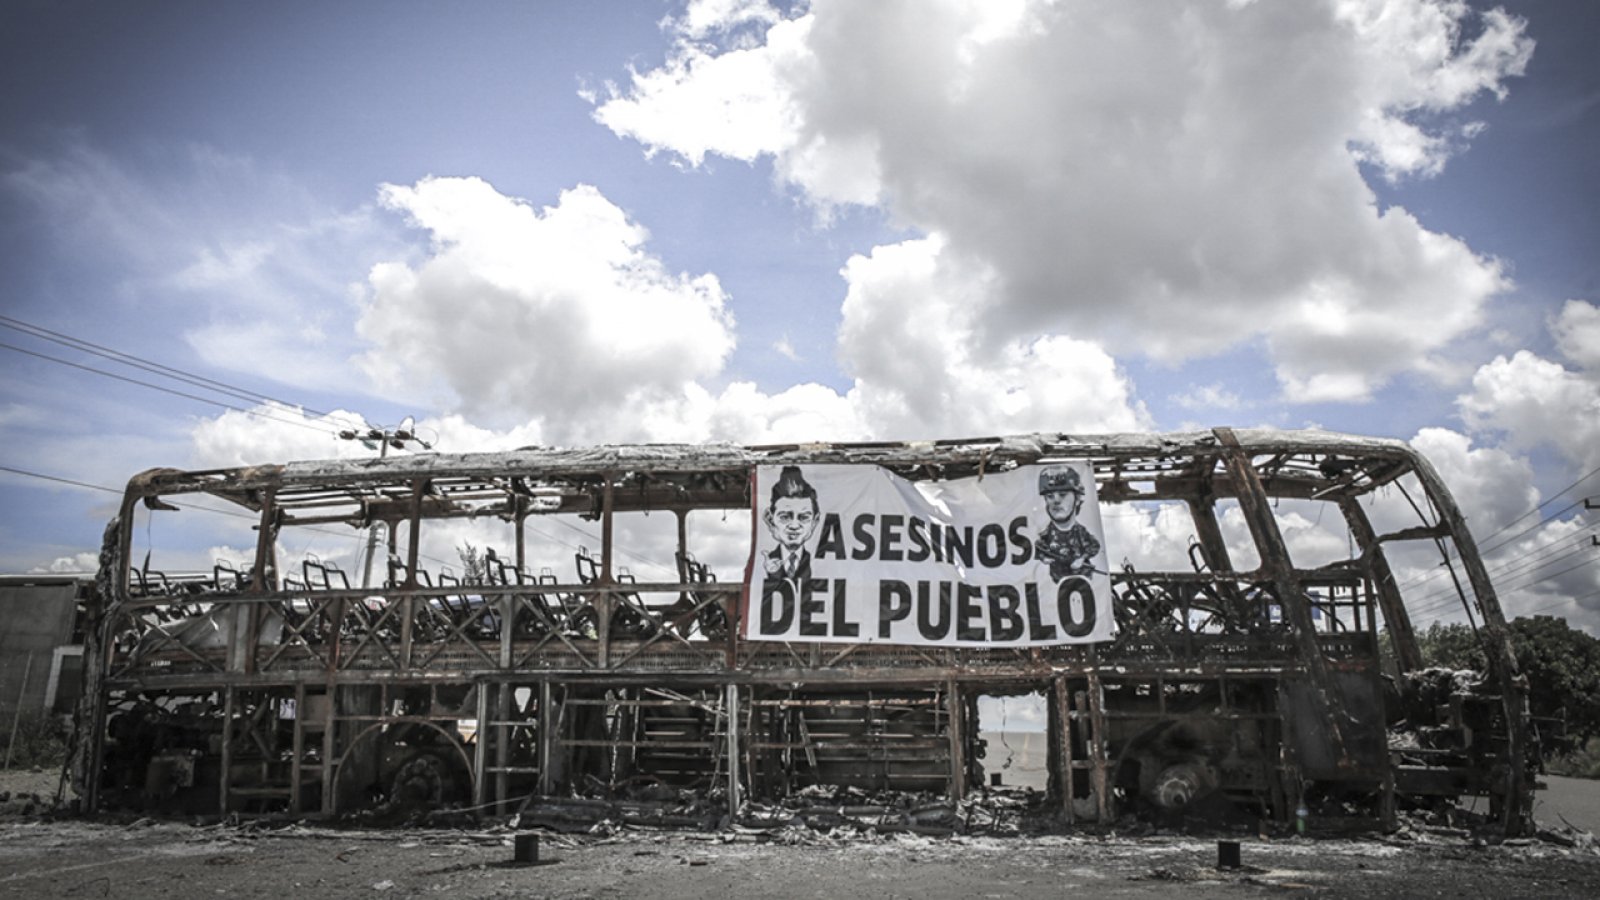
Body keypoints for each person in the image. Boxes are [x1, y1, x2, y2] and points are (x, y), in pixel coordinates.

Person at [1035, 466, 1100, 580]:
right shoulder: (1045, 535)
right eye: (1050, 496)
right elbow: (1037, 550)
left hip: (1084, 585)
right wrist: (1044, 559)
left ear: (1077, 499)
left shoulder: (1082, 533)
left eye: (1063, 494)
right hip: (1055, 587)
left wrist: (1081, 559)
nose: (1056, 501)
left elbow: (1095, 546)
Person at [761, 466, 820, 584]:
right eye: (785, 517)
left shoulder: (821, 562)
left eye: (803, 517)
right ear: (770, 519)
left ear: (815, 521)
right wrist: (772, 573)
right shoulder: (764, 561)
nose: (794, 526)